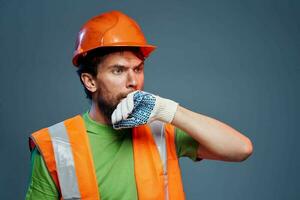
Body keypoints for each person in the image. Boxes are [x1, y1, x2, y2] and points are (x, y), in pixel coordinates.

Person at [25, 10, 253, 200]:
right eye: (118, 70)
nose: (133, 81)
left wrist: (168, 110)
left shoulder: (160, 128)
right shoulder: (54, 145)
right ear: (90, 81)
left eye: (138, 69)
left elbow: (240, 149)